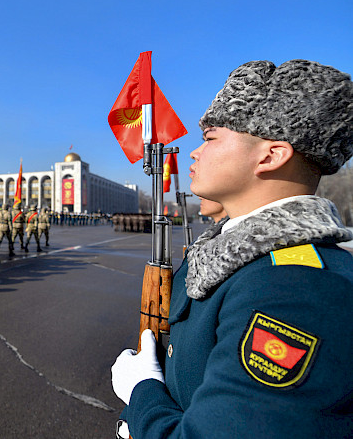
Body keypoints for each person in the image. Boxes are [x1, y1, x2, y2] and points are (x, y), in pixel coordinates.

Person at [111, 59, 353, 438]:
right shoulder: (232, 254)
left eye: (210, 138)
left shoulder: (297, 287)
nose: (194, 152)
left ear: (270, 156)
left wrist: (143, 395)